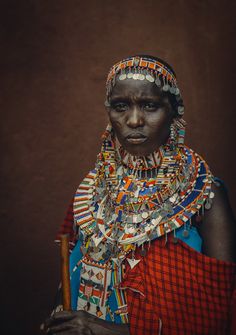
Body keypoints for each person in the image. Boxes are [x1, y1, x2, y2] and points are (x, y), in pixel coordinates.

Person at [44, 55, 236, 335]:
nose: (134, 120)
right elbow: (67, 289)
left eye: (150, 105)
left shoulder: (204, 195)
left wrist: (105, 330)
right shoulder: (91, 191)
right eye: (120, 106)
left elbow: (220, 317)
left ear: (174, 111)